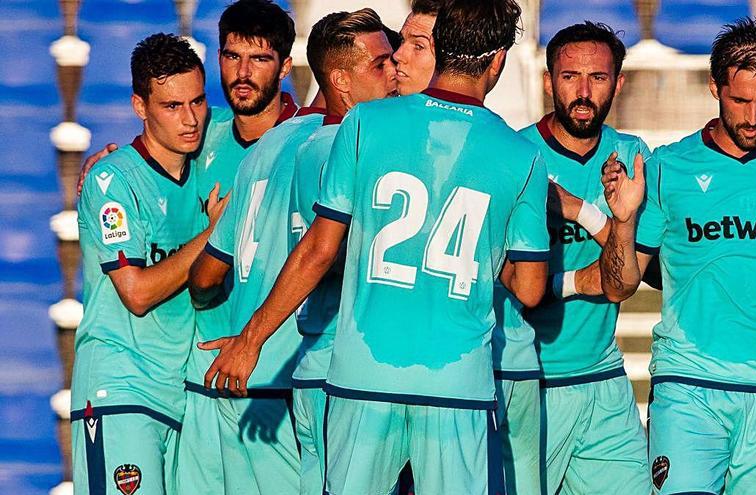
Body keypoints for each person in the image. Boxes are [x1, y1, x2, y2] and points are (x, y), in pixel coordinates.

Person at [200, 0, 556, 492]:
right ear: (498, 61)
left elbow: (319, 250)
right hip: (456, 386)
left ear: (442, 45)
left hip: (361, 380)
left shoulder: (365, 124)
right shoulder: (522, 155)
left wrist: (251, 339)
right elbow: (531, 289)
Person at [620, 18, 756, 494]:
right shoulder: (666, 169)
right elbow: (627, 278)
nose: (753, 117)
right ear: (714, 87)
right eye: (740, 101)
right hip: (687, 386)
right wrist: (615, 221)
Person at [190, 9, 397, 493]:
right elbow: (322, 253)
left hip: (250, 381)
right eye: (382, 63)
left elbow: (205, 277)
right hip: (313, 373)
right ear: (342, 79)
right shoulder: (343, 148)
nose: (396, 73)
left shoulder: (269, 144)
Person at [70, 33, 227, 495]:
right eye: (172, 106)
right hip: (120, 390)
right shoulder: (113, 181)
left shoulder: (206, 160)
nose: (191, 119)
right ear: (140, 106)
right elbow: (136, 293)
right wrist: (214, 234)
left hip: (181, 397)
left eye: (198, 102)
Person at [516, 21, 653, 494]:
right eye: (570, 76)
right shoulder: (515, 153)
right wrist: (579, 278)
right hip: (525, 380)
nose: (582, 91)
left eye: (597, 78)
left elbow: (623, 280)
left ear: (618, 82)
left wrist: (585, 212)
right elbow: (505, 283)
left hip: (602, 378)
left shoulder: (631, 155)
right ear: (548, 80)